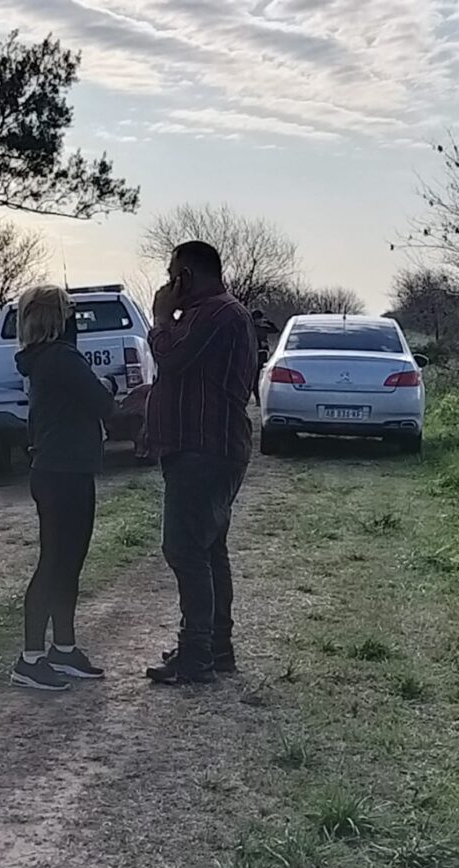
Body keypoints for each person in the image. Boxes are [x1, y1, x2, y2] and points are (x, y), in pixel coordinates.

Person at [145, 241, 257, 685]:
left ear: (186, 276)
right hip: (208, 447)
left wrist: (158, 318)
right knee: (208, 549)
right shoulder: (219, 314)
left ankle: (197, 655)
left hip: (204, 449)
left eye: (173, 275)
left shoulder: (216, 314)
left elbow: (171, 357)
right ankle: (214, 646)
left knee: (185, 548)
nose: (169, 284)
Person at [11, 285, 116, 691]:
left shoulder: (41, 360)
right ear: (58, 317)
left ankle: (63, 647)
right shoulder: (62, 358)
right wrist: (106, 386)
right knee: (56, 562)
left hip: (56, 467)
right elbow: (101, 403)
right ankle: (31, 657)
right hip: (64, 470)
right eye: (70, 311)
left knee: (67, 561)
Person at [251, 308, 278, 405]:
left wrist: (268, 322)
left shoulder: (263, 329)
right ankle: (258, 398)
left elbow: (275, 330)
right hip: (255, 353)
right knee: (255, 377)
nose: (260, 321)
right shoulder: (251, 328)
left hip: (263, 354)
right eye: (258, 319)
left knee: (263, 376)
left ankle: (261, 397)